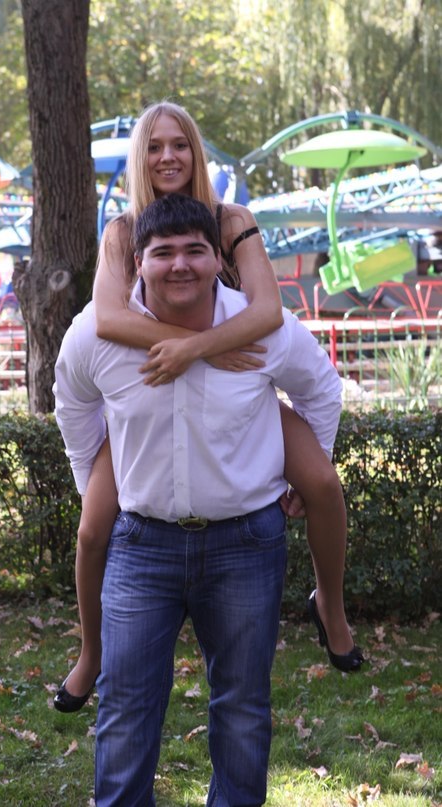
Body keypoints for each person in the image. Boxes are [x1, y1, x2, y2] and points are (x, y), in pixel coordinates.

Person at [53, 102, 363, 714]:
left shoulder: (232, 220)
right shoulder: (123, 231)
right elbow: (109, 319)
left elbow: (267, 311)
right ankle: (91, 653)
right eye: (153, 146)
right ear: (140, 159)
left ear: (196, 153)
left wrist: (200, 349)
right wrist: (197, 350)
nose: (167, 157)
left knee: (324, 483)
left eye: (180, 145)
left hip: (239, 391)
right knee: (92, 528)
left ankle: (330, 603)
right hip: (153, 400)